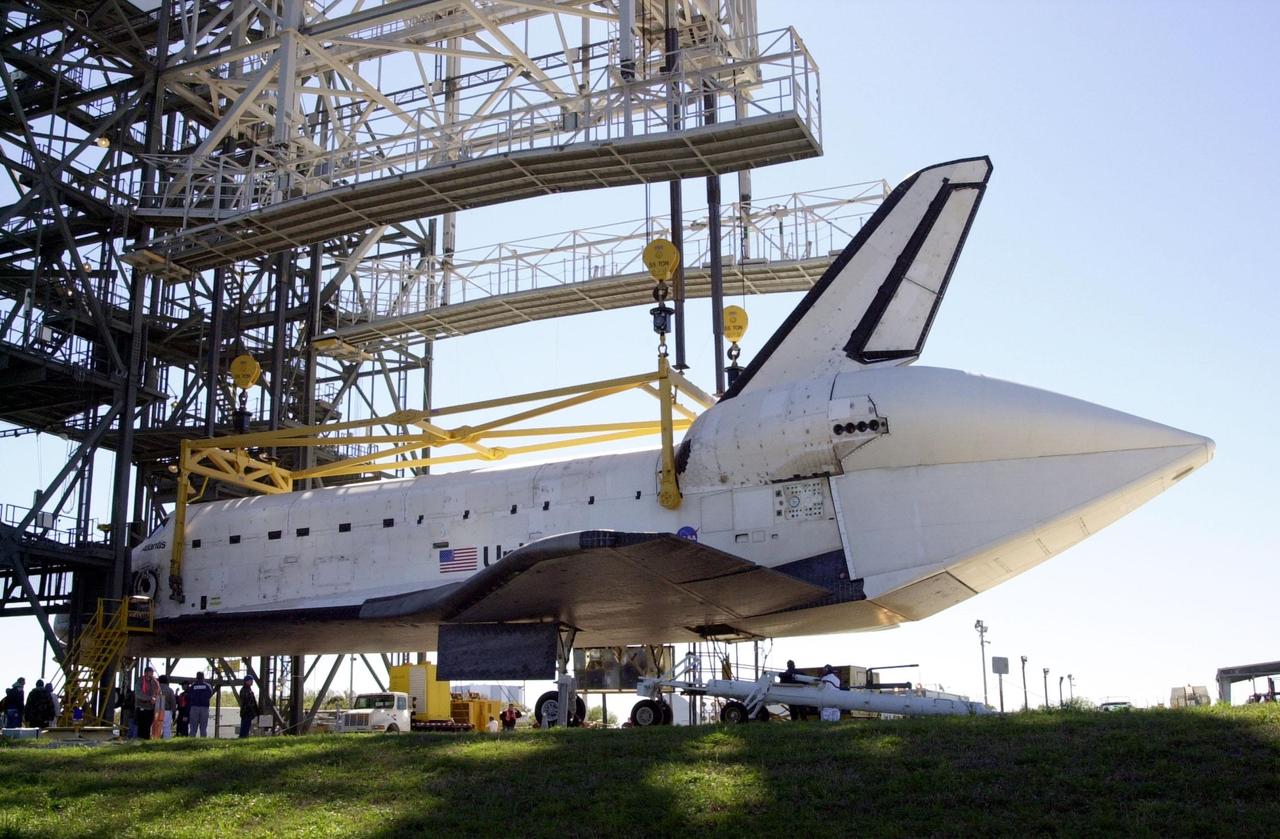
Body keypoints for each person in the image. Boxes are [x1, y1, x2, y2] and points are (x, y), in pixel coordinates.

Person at [135, 666, 160, 740]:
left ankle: (146, 741)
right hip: (141, 707)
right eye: (149, 674)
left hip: (150, 708)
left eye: (152, 674)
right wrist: (150, 698)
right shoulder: (140, 681)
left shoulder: (154, 682)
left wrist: (155, 698)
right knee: (141, 726)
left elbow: (158, 692)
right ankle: (140, 740)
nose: (151, 676)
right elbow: (138, 694)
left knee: (148, 726)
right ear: (145, 673)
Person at [186, 671, 213, 737]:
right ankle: (203, 740)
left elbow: (189, 696)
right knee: (203, 727)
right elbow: (210, 694)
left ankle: (192, 740)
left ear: (196, 677)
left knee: (193, 728)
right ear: (203, 677)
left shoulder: (193, 686)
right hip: (204, 708)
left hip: (194, 707)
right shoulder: (207, 686)